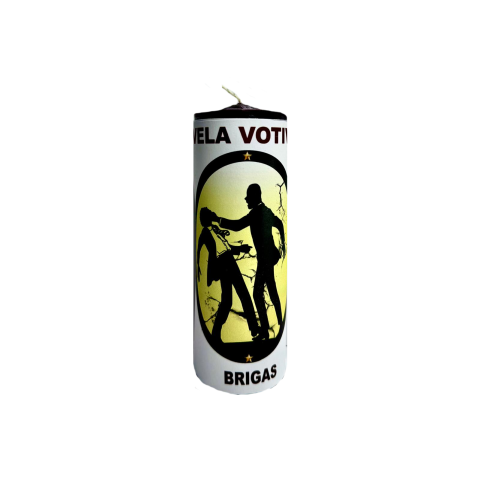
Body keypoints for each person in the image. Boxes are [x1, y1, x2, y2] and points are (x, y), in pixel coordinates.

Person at [211, 184, 286, 341]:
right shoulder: (265, 211)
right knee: (271, 290)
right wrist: (283, 244)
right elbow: (279, 223)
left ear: (254, 197)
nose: (246, 200)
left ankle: (267, 331)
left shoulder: (256, 213)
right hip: (267, 258)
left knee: (258, 293)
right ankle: (277, 326)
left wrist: (217, 219)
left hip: (265, 260)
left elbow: (237, 225)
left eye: (248, 197)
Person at [197, 207, 260, 342]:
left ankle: (254, 329)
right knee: (228, 300)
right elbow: (199, 250)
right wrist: (199, 268)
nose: (212, 214)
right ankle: (216, 332)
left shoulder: (215, 229)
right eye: (209, 213)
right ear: (205, 218)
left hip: (229, 260)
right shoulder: (204, 233)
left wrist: (241, 248)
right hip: (222, 264)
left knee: (240, 295)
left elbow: (226, 246)